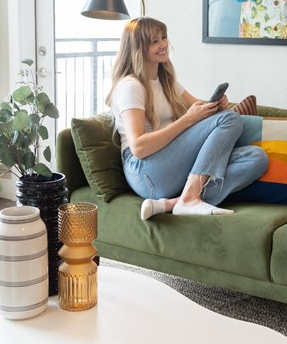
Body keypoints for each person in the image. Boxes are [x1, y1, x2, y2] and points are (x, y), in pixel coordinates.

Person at [107, 17, 269, 219]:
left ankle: (173, 203)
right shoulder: (131, 86)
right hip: (145, 171)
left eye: (164, 38)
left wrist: (215, 107)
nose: (163, 44)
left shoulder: (166, 81)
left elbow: (199, 110)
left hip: (171, 163)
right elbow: (139, 148)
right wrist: (187, 120)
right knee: (230, 119)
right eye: (154, 41)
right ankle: (191, 198)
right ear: (138, 48)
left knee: (256, 158)